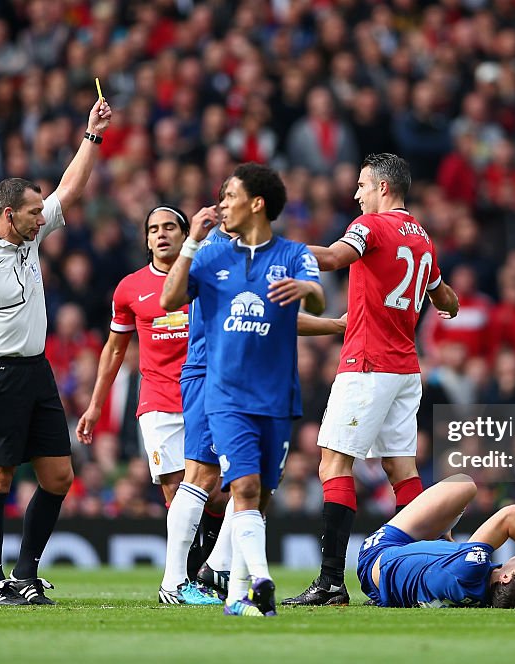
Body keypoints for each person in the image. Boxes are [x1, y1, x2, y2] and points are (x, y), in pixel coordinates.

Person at [0, 98, 111, 606]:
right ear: (9, 214)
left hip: (37, 373)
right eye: (34, 212)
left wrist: (91, 135)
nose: (43, 218)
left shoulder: (28, 239)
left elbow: (70, 190)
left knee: (58, 476)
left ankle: (26, 573)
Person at [284, 153, 459, 607]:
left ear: (383, 187)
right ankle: (424, 571)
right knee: (402, 471)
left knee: (333, 462)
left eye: (362, 185)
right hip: (405, 369)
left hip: (368, 364)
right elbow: (448, 299)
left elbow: (333, 257)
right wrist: (443, 302)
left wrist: (278, 252)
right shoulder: (422, 238)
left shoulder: (372, 228)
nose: (356, 193)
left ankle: (330, 582)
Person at [161, 162, 325, 617]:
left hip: (276, 395)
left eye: (229, 195)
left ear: (256, 203)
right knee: (226, 482)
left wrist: (311, 296)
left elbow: (316, 293)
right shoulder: (211, 253)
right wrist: (191, 240)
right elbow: (169, 300)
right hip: (220, 388)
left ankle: (232, 588)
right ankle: (188, 581)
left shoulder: (290, 253)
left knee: (257, 493)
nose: (220, 204)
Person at [74, 204, 222, 605]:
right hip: (158, 402)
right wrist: (94, 406)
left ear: (184, 232)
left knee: (218, 493)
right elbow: (113, 351)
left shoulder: (206, 276)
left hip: (206, 399)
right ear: (145, 239)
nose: (161, 234)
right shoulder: (129, 288)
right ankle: (183, 582)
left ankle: (204, 575)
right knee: (178, 492)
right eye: (153, 229)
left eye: (169, 227)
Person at [358, 473, 515, 609]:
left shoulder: (471, 568)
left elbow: (511, 515)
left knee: (464, 484)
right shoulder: (482, 596)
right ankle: (443, 535)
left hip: (377, 554)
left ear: (507, 578)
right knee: (450, 547)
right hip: (381, 588)